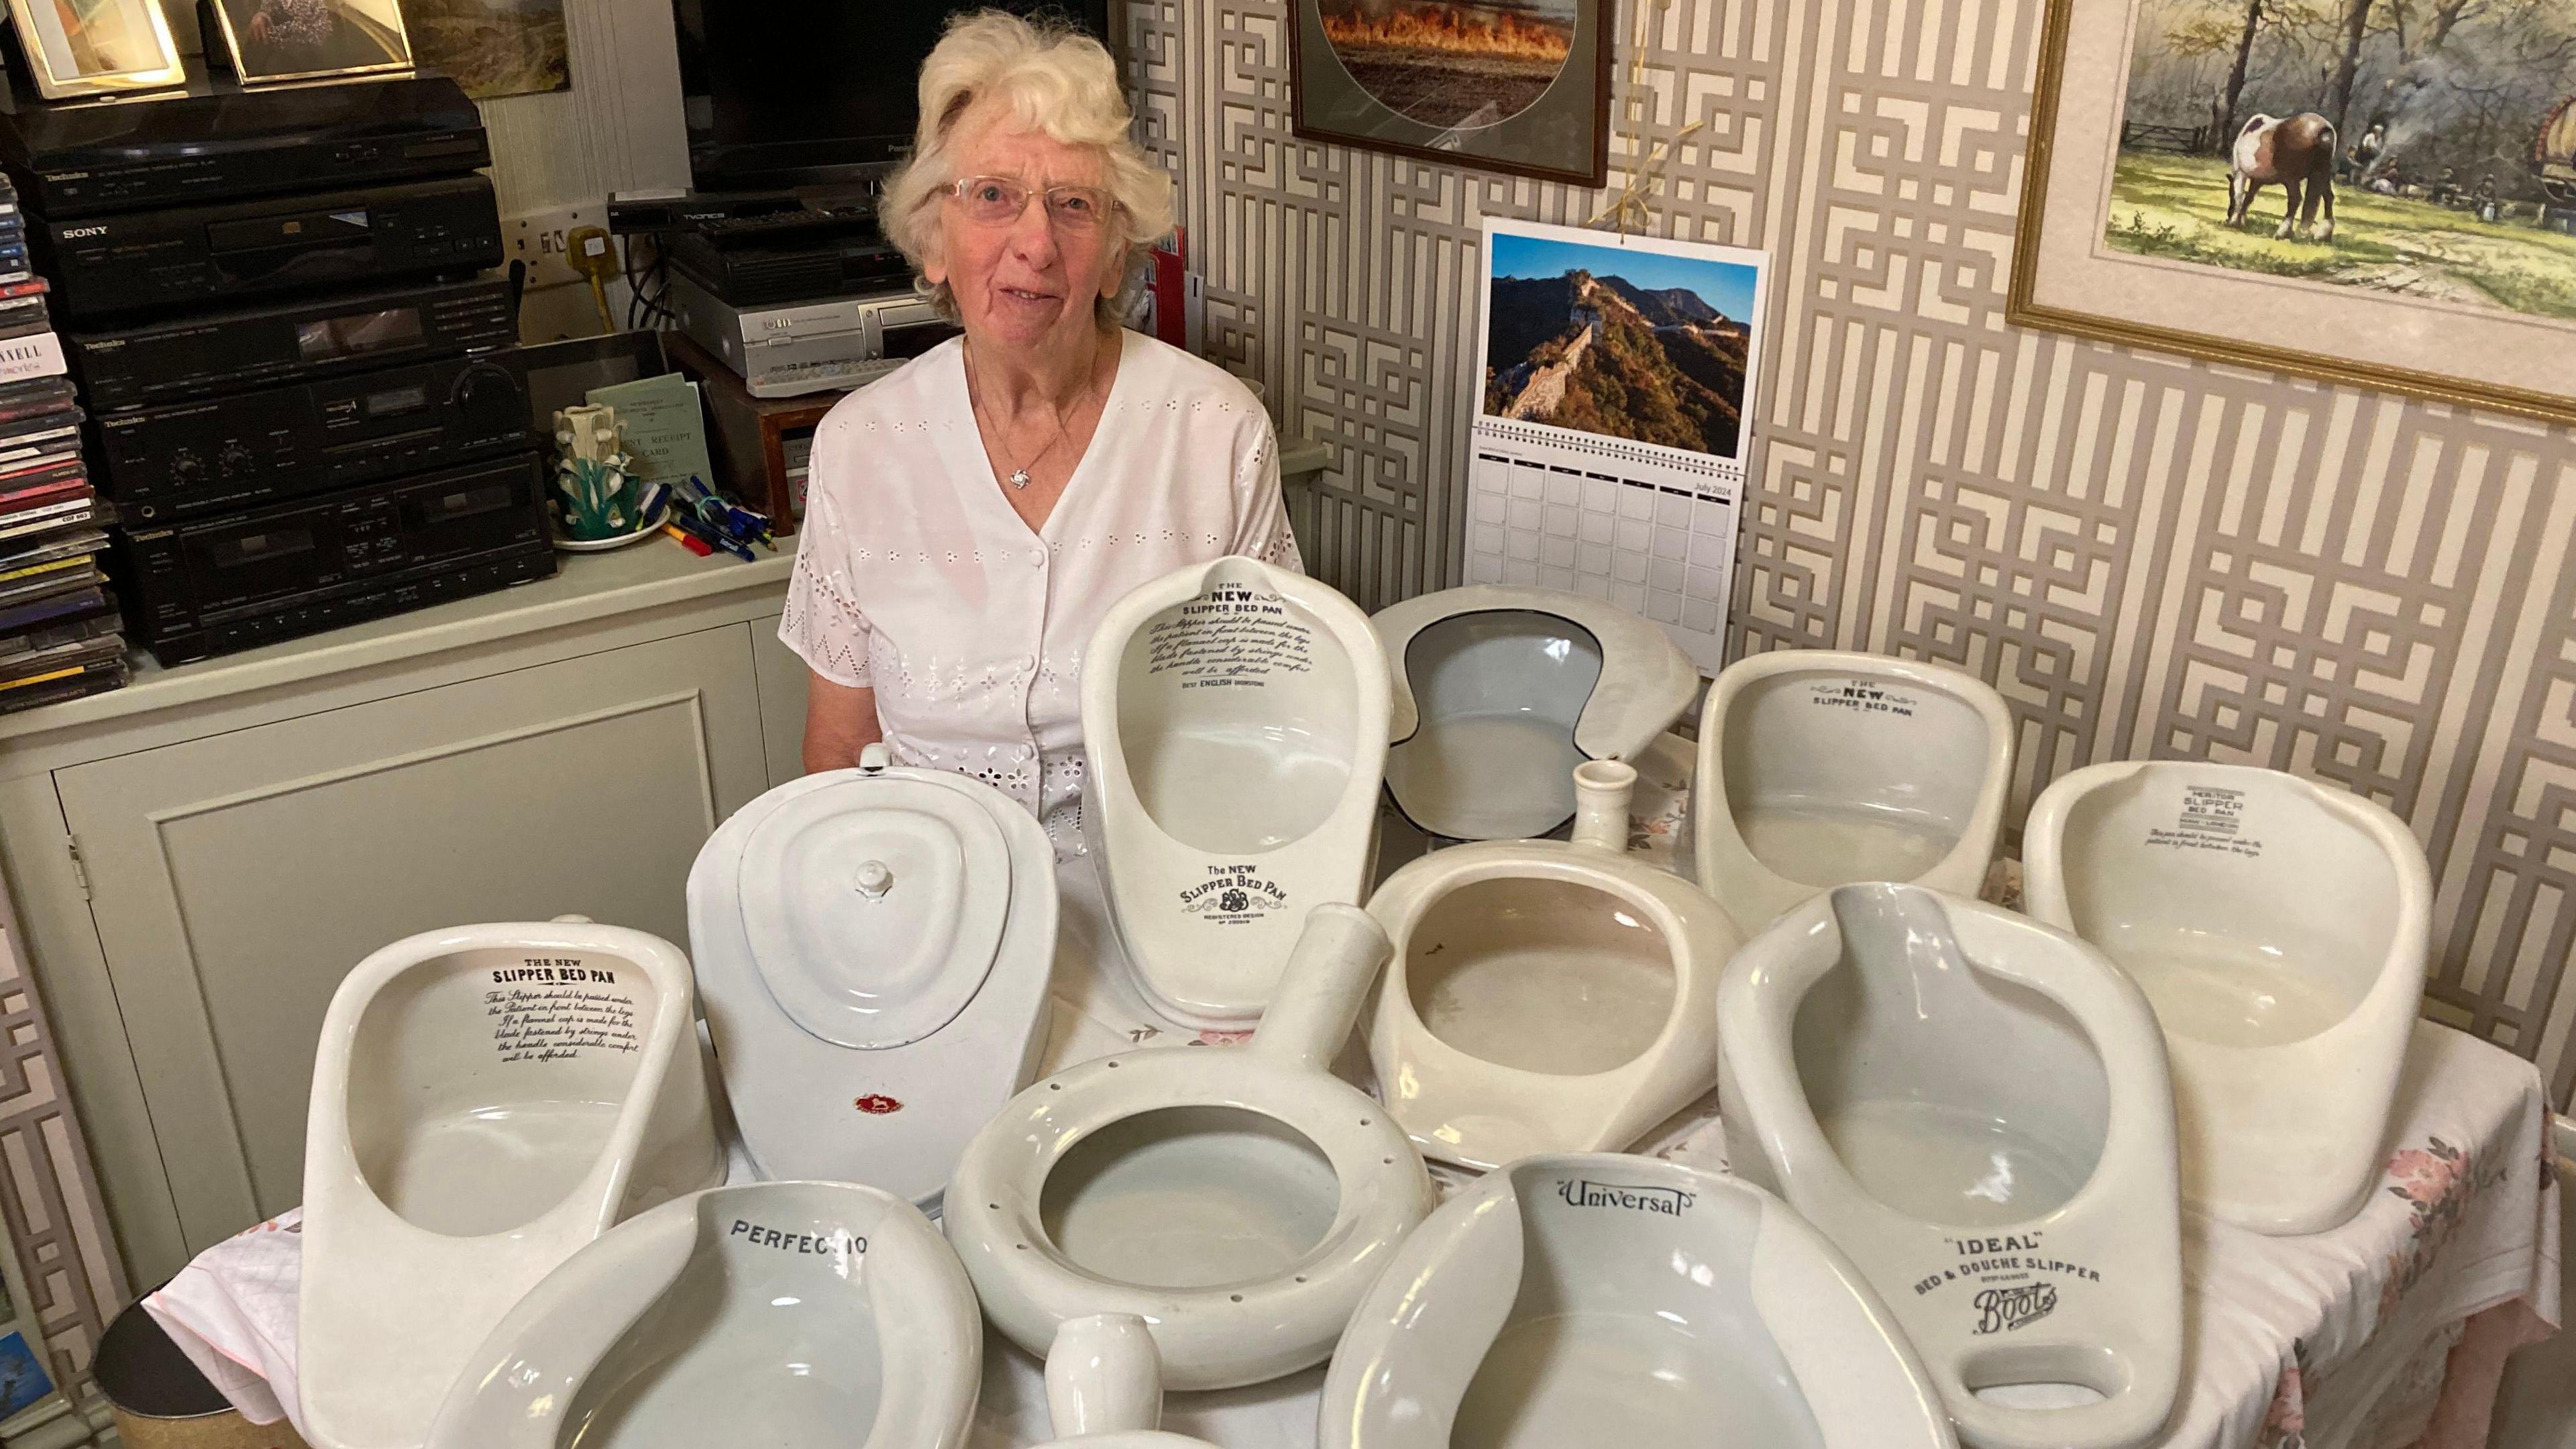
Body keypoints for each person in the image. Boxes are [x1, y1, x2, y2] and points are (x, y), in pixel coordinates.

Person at [779, 9, 1300, 866]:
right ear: (932, 238)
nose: (1035, 243)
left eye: (1072, 206)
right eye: (991, 197)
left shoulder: (1216, 433)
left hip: (1154, 897)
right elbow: (837, 753)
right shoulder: (860, 448)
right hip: (932, 898)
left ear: (1113, 252)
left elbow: (1270, 728)